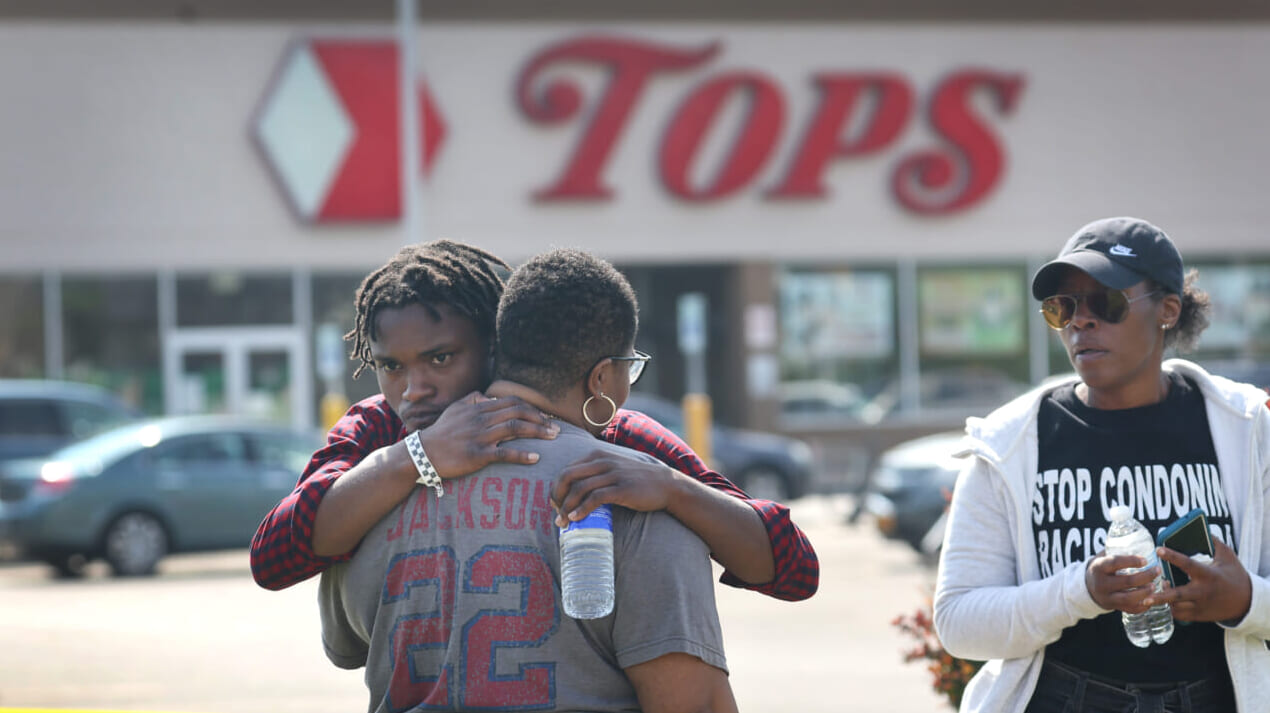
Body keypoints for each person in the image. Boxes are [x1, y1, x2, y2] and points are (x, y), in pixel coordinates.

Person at [249, 240, 818, 603]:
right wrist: (414, 458)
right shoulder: (378, 429)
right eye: (390, 366)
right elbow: (273, 559)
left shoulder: (604, 431)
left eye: (440, 358)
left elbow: (792, 568)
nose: (412, 388)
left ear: (495, 348)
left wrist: (673, 490)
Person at [319, 248, 737, 712]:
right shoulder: (636, 496)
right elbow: (695, 703)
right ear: (604, 375)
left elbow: (346, 648)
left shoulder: (362, 502)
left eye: (438, 358)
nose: (414, 388)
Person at [933, 216, 1270, 712]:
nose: (1080, 322)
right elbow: (959, 622)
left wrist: (1246, 601)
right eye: (1062, 308)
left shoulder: (1247, 429)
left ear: (1168, 311)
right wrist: (1081, 591)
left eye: (1105, 302)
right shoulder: (1010, 445)